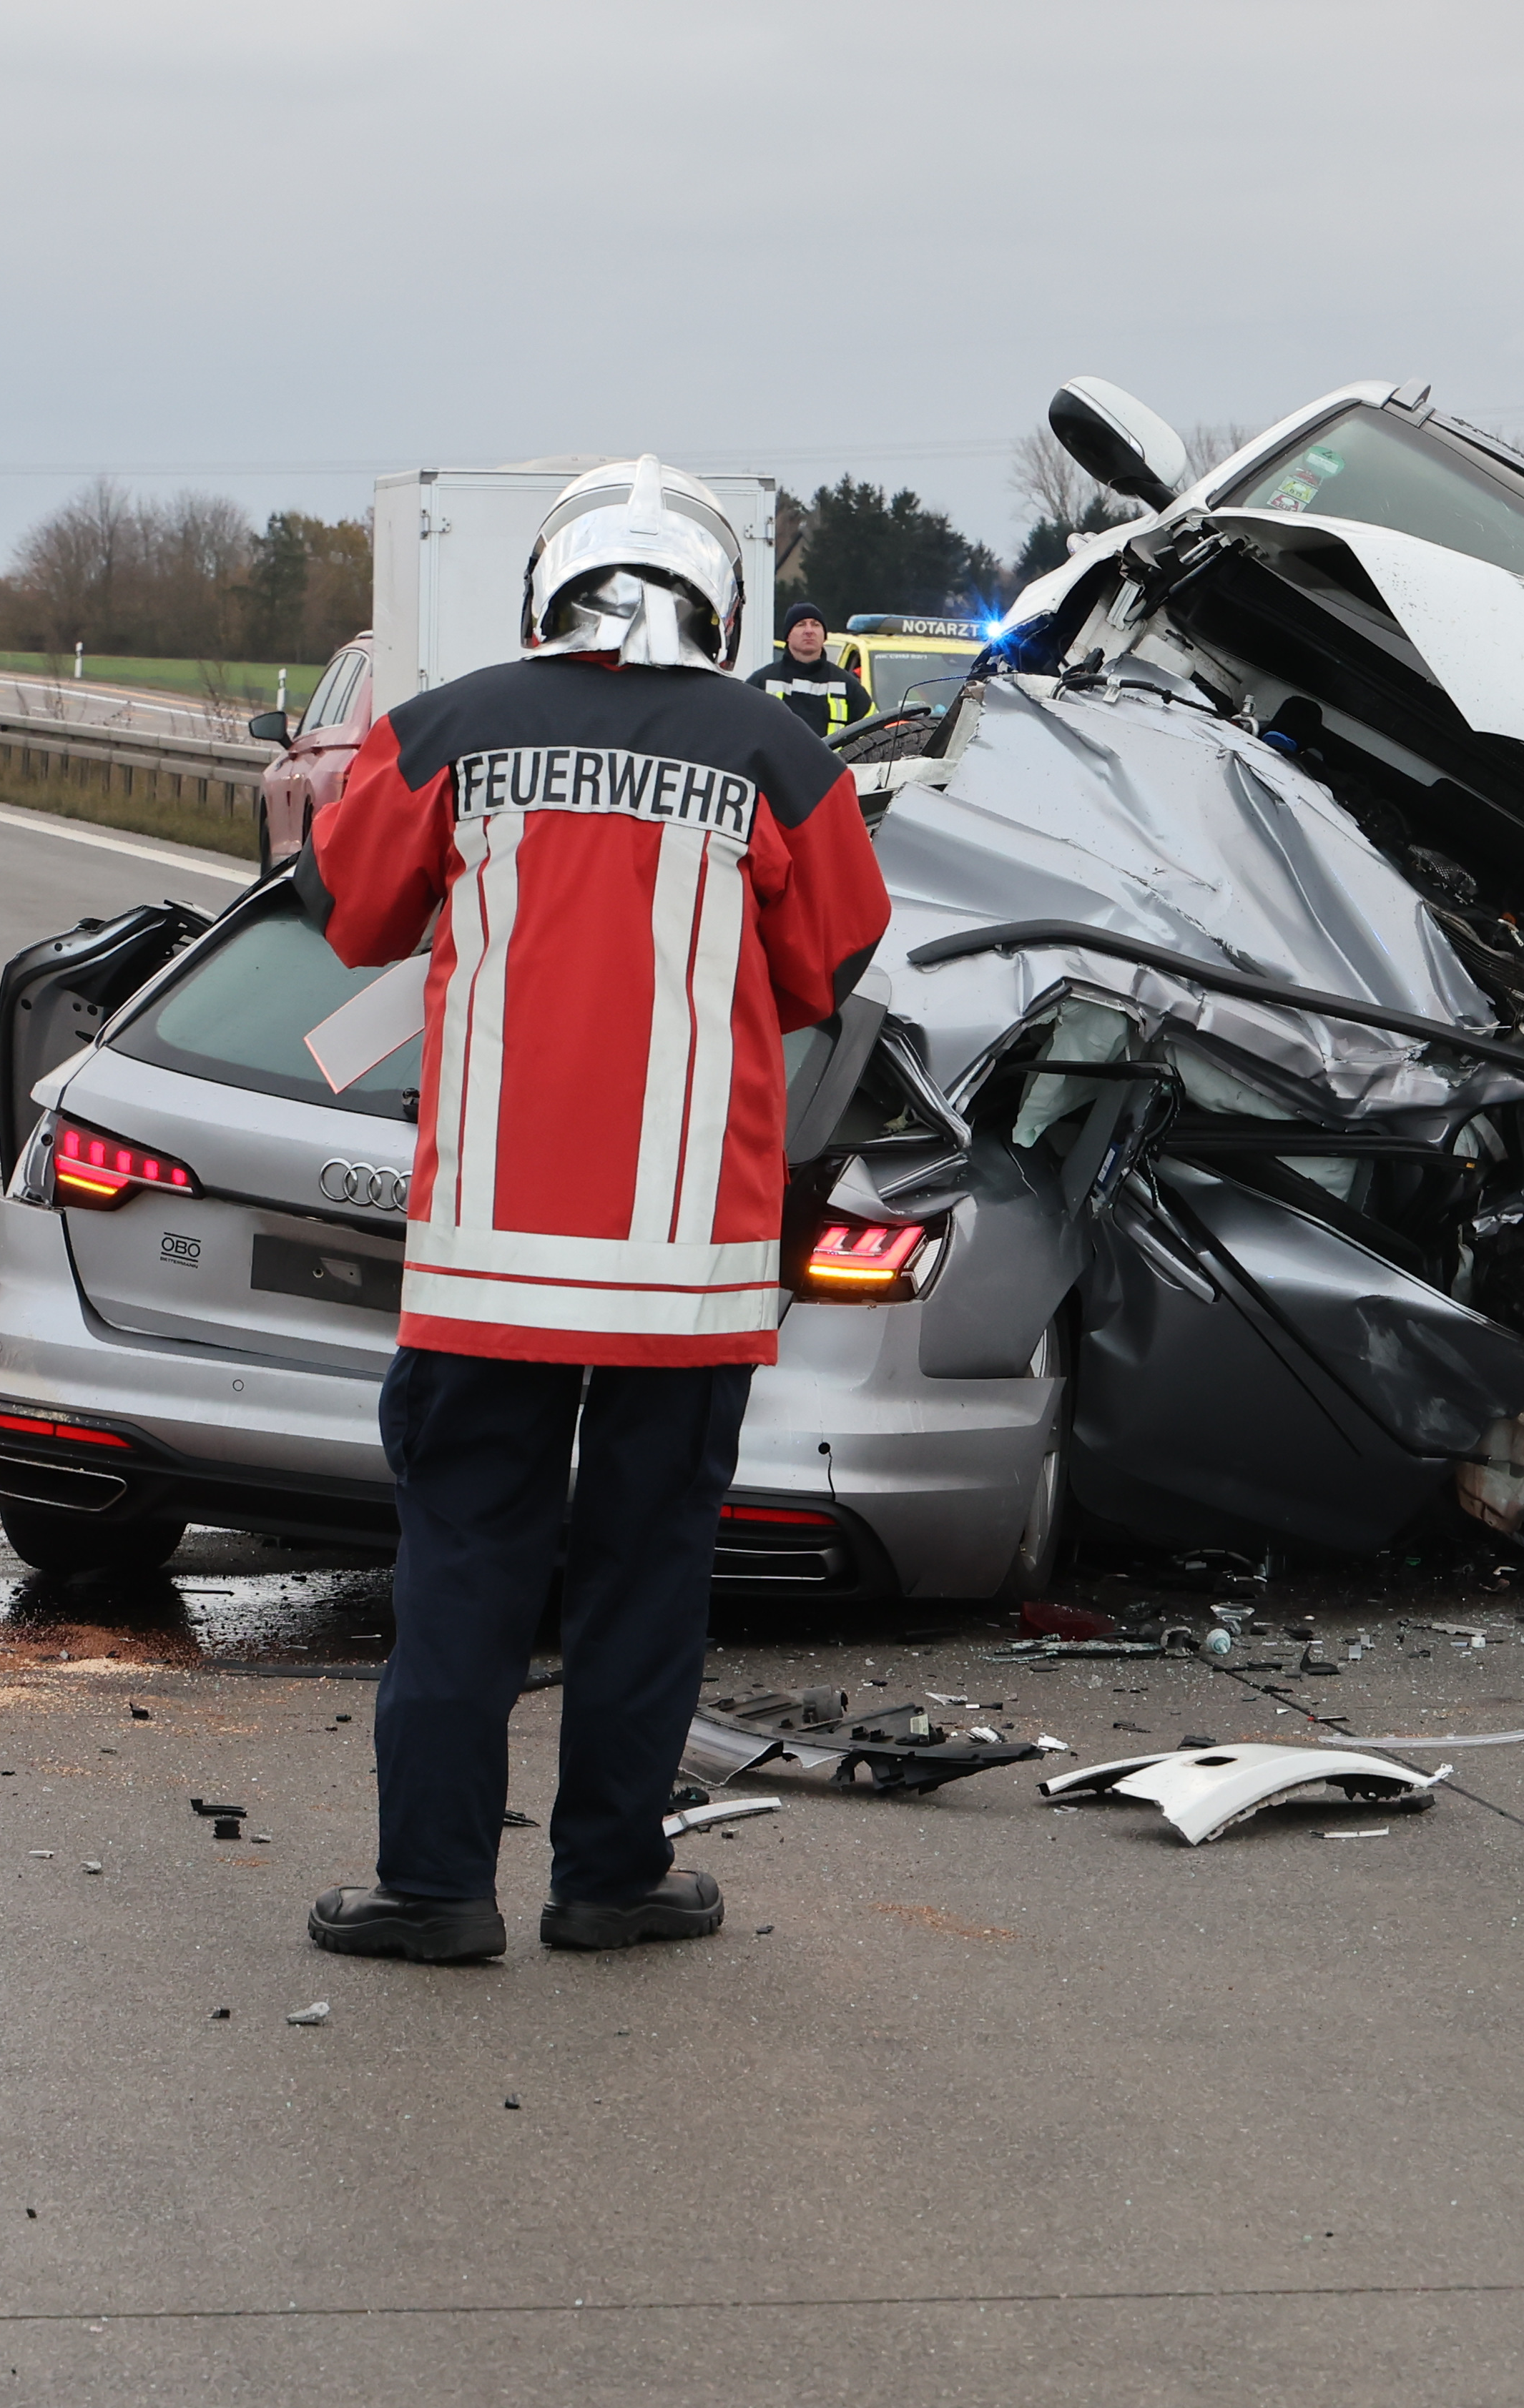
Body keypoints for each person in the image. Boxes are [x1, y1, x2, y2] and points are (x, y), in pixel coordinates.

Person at [296, 459, 890, 1964]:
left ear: (547, 586)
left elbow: (352, 909)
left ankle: (434, 1889)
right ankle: (607, 1878)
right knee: (643, 1577)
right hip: (683, 1273)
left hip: (486, 1262)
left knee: (463, 1568)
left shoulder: (440, 731)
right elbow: (829, 964)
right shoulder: (776, 755)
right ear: (720, 597)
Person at [749, 601, 870, 739]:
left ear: (824, 636)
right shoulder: (761, 682)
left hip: (831, 761)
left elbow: (874, 732)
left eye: (815, 624)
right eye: (801, 625)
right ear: (787, 636)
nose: (809, 631)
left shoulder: (848, 686)